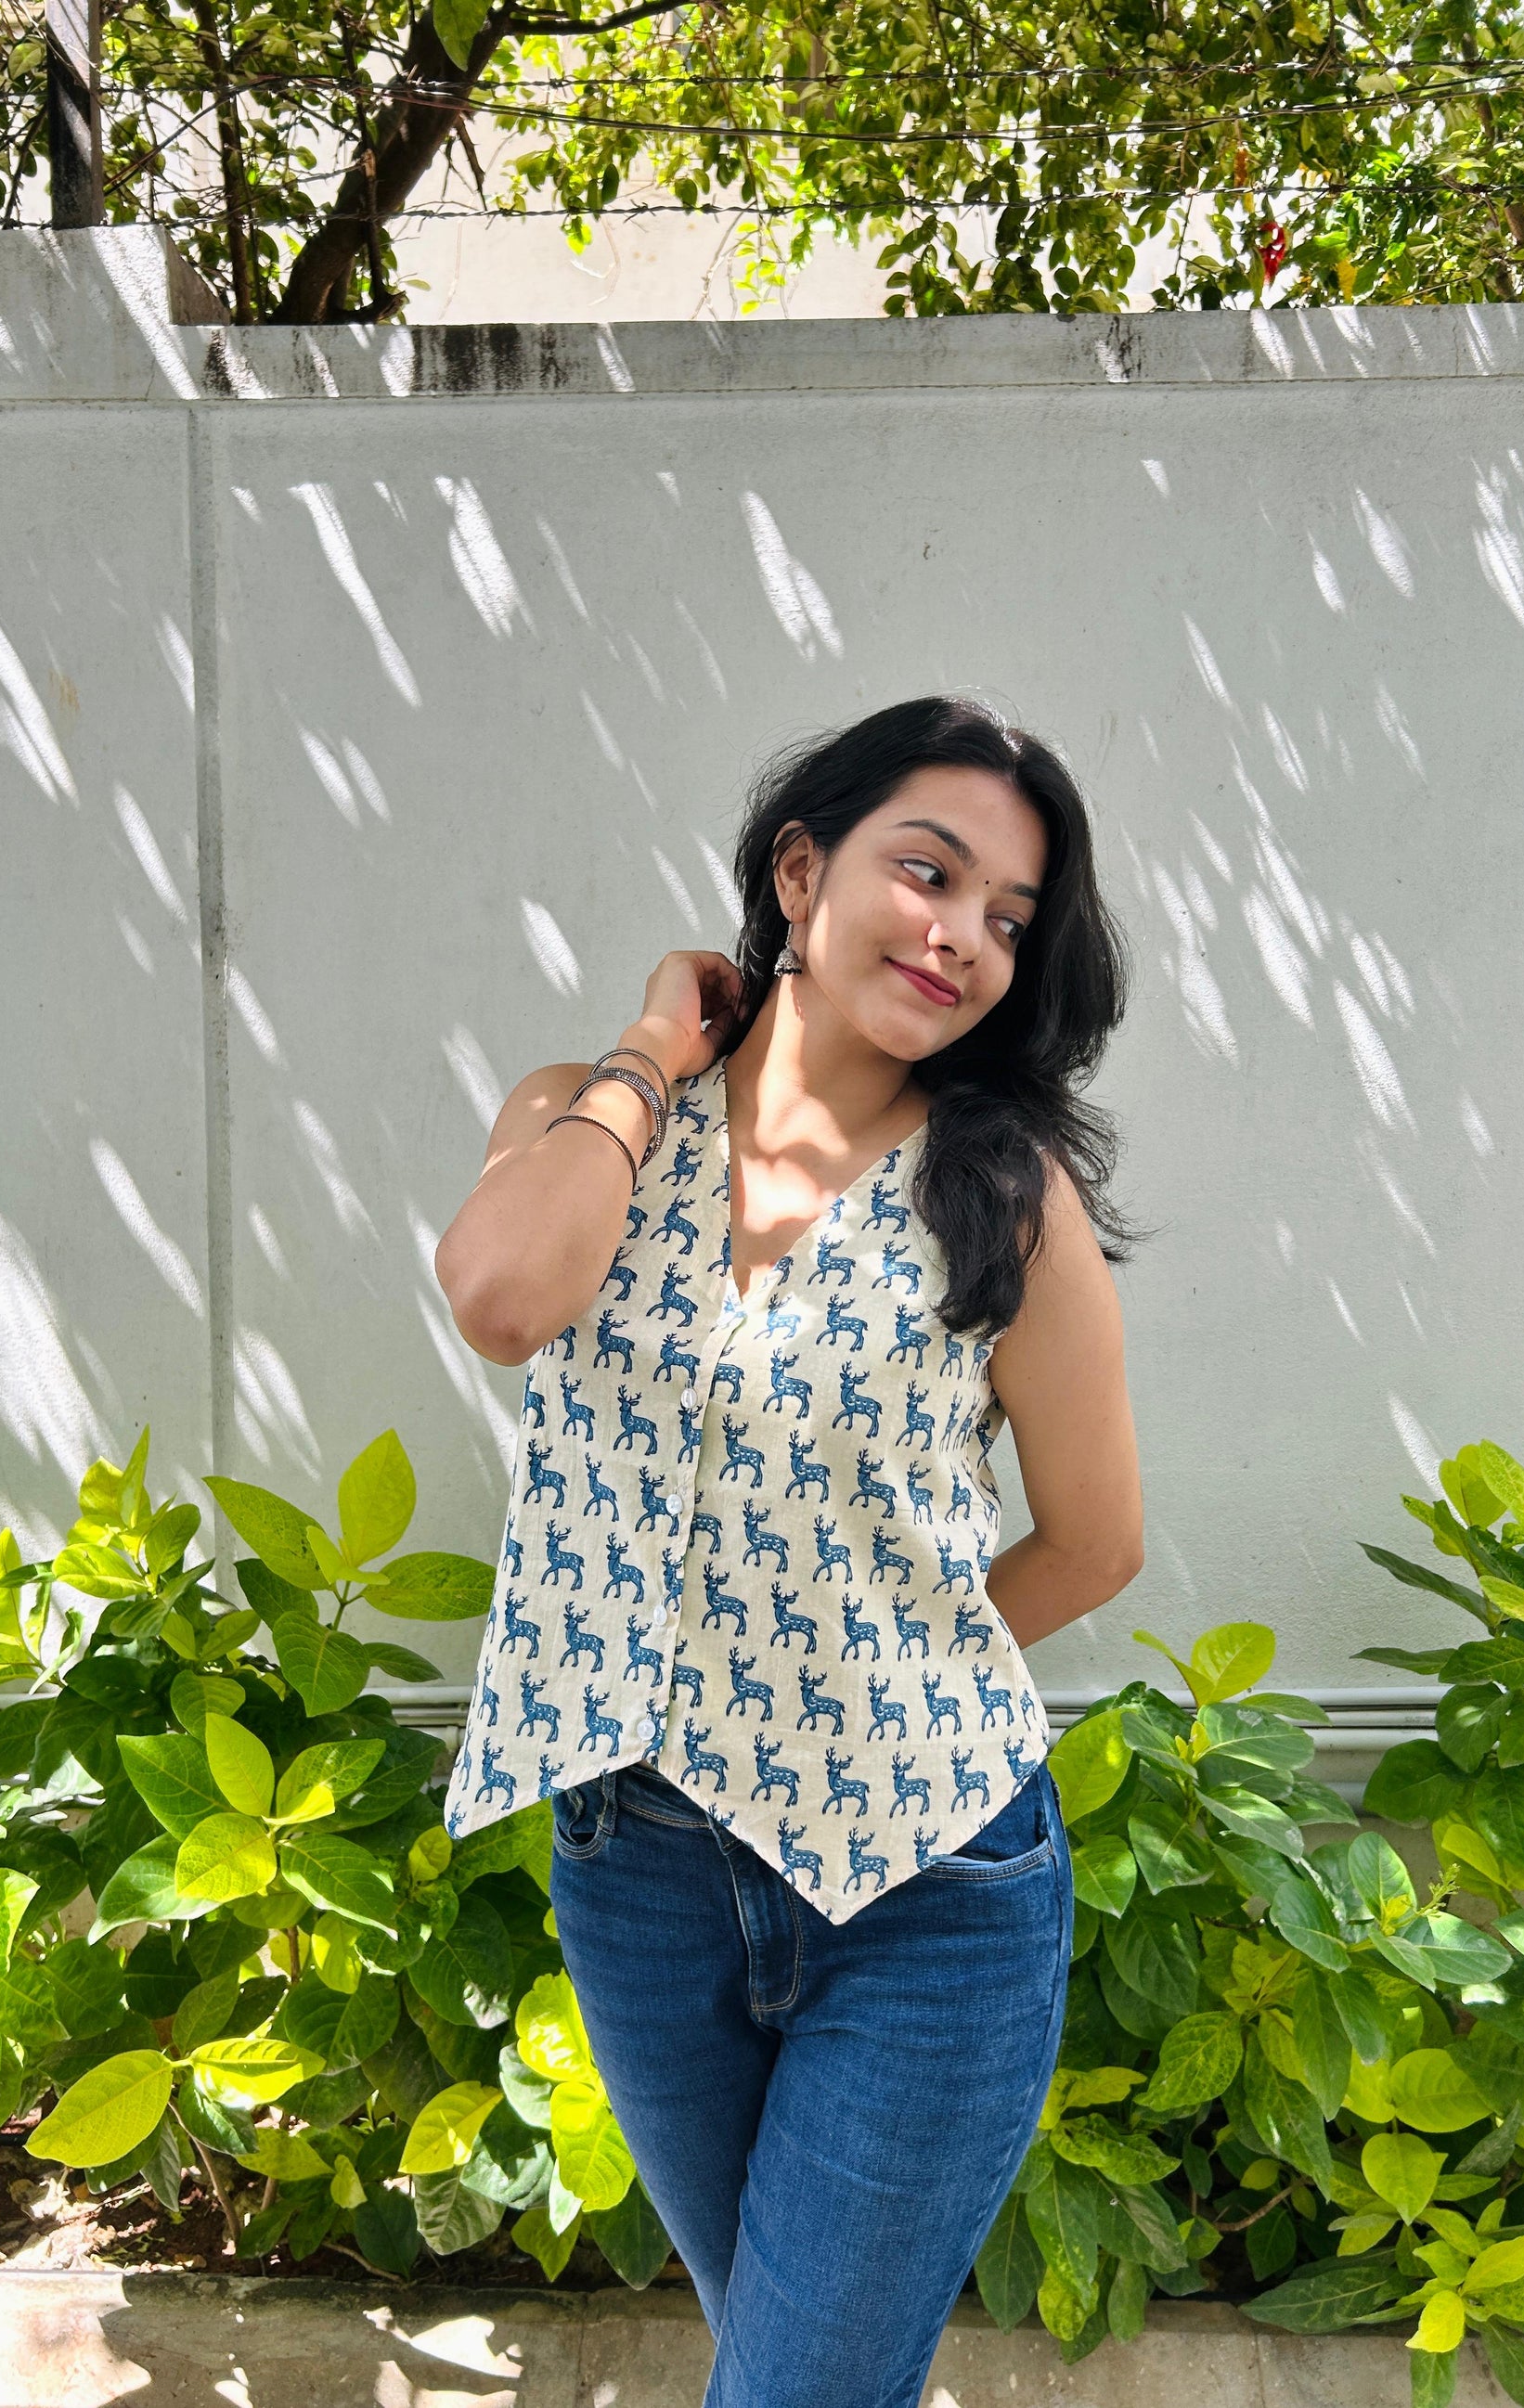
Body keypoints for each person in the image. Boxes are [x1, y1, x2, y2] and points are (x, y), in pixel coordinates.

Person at [434, 695, 1146, 2408]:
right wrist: (647, 1054)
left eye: (1007, 919)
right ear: (799, 871)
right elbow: (504, 1299)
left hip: (927, 1893)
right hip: (641, 1872)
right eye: (929, 872)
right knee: (782, 2362)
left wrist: (874, 1677)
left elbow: (1097, 1540)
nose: (961, 936)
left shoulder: (1004, 1197)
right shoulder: (590, 1118)